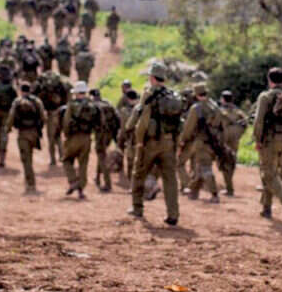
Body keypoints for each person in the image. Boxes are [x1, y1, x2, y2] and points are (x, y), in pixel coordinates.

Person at [127, 62, 182, 225]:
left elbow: (141, 119)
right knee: (170, 179)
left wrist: (138, 140)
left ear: (152, 77)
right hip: (169, 143)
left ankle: (137, 208)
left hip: (150, 143)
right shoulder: (173, 96)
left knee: (138, 174)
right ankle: (173, 214)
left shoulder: (148, 94)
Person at [253, 68, 282, 222]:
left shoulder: (265, 97)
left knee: (268, 174)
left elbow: (258, 121)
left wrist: (258, 139)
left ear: (269, 80)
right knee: (272, 173)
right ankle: (266, 208)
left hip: (270, 140)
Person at [178, 83, 225, 203]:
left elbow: (188, 128)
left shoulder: (196, 108)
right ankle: (193, 191)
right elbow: (221, 126)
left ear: (196, 95)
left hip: (201, 142)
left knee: (205, 167)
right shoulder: (215, 107)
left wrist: (182, 140)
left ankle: (214, 194)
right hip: (214, 142)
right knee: (199, 168)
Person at [61, 82, 101, 198]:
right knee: (83, 164)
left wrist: (67, 135)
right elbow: (98, 122)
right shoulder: (92, 105)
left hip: (74, 137)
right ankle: (81, 188)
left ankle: (73, 181)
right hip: (87, 138)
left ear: (76, 93)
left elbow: (66, 122)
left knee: (66, 160)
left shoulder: (72, 105)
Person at [6, 82, 46, 194]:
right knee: (30, 157)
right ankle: (29, 180)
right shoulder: (37, 101)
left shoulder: (17, 102)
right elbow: (43, 117)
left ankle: (30, 182)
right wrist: (39, 128)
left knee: (26, 159)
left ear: (21, 91)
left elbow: (11, 117)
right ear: (30, 90)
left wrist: (8, 129)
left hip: (23, 133)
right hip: (34, 133)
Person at [34, 70, 70, 166]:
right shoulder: (60, 85)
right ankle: (62, 156)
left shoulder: (42, 85)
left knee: (51, 138)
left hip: (50, 114)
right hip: (60, 113)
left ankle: (53, 159)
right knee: (58, 136)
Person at [90, 88, 121, 192]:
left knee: (102, 156)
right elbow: (117, 118)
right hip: (110, 134)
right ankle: (98, 177)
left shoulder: (94, 106)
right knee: (101, 155)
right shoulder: (108, 104)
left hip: (100, 135)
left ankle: (107, 184)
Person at [218, 91, 247, 197]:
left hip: (223, 140)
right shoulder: (238, 112)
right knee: (232, 161)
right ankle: (229, 185)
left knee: (223, 163)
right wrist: (238, 134)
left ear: (222, 99)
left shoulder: (220, 111)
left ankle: (229, 188)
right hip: (234, 140)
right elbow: (245, 124)